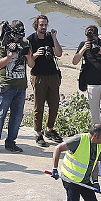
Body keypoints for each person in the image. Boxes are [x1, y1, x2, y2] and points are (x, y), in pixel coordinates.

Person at [72, 25, 101, 143]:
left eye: (93, 40)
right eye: (89, 40)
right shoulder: (83, 45)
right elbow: (74, 61)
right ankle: (97, 139)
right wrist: (83, 49)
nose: (91, 42)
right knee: (95, 115)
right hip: (92, 85)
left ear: (98, 36)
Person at [0, 20, 29, 153]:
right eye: (18, 34)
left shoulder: (26, 43)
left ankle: (11, 142)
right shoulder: (3, 43)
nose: (20, 37)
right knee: (0, 115)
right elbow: (0, 64)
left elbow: (32, 64)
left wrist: (28, 54)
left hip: (21, 86)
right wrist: (10, 55)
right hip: (6, 86)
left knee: (17, 117)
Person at [27, 14, 63, 148]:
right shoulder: (31, 39)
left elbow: (59, 53)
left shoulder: (49, 37)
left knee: (54, 104)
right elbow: (30, 63)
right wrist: (35, 55)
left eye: (45, 25)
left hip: (53, 75)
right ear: (36, 25)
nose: (43, 27)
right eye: (41, 25)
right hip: (38, 76)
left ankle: (50, 130)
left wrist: (54, 38)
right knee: (39, 106)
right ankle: (38, 132)